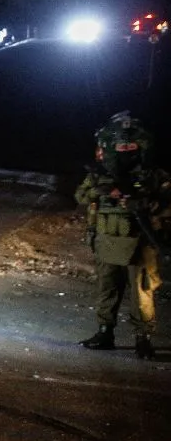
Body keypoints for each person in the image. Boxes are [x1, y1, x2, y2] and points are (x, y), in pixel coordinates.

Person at [74, 111, 171, 359]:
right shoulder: (99, 175)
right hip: (106, 238)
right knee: (107, 288)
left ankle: (143, 339)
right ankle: (105, 332)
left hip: (140, 242)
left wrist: (142, 203)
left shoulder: (154, 176)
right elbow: (80, 196)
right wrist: (104, 191)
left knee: (141, 291)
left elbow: (167, 205)